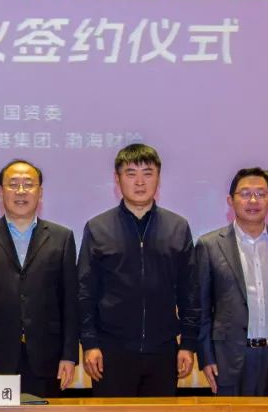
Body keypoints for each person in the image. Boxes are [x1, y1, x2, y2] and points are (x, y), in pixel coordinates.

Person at [78, 143, 198, 396]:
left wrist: (188, 343)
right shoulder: (98, 227)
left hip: (163, 350)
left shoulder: (177, 227)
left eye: (148, 173)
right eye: (131, 173)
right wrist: (89, 343)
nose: (140, 182)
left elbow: (189, 292)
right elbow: (85, 292)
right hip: (111, 350)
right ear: (117, 179)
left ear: (158, 178)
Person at [0, 159, 78, 397]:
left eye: (28, 184)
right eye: (13, 184)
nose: (21, 191)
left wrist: (69, 355)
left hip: (47, 355)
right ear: (0, 192)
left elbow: (69, 302)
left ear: (40, 192)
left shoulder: (62, 237)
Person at [195, 167, 268, 396]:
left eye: (261, 194)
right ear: (231, 200)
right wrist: (206, 357)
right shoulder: (209, 245)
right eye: (245, 193)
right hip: (229, 358)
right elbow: (202, 309)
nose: (253, 200)